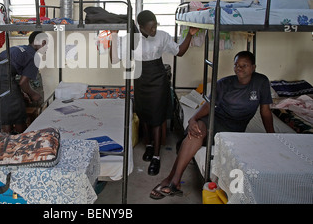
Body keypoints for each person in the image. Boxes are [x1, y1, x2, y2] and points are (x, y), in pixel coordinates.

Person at [150, 50, 275, 199]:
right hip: (215, 120)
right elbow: (208, 106)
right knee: (195, 132)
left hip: (234, 129)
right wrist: (193, 120)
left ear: (253, 67)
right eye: (236, 65)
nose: (239, 68)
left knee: (194, 134)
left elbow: (265, 111)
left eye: (244, 65)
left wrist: (272, 136)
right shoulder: (224, 83)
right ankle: (175, 180)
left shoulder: (261, 82)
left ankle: (170, 179)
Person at [110, 10, 199, 176]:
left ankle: (156, 157)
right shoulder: (131, 39)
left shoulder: (162, 36)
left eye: (155, 26)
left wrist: (190, 35)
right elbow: (114, 59)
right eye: (150, 28)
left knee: (157, 118)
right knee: (144, 113)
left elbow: (179, 51)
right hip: (140, 78)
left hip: (158, 78)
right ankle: (149, 146)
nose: (154, 31)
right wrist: (113, 37)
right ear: (140, 27)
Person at [0, 31, 47, 134]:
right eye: (44, 42)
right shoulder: (34, 56)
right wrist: (34, 94)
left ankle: (7, 139)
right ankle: (22, 140)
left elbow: (17, 81)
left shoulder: (21, 49)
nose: (46, 46)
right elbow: (23, 83)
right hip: (3, 79)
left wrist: (22, 93)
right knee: (18, 111)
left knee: (7, 111)